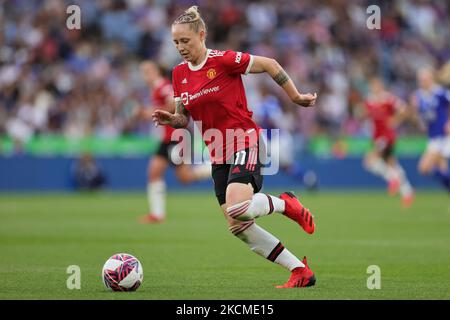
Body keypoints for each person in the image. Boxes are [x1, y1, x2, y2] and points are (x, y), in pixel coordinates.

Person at [151, 6, 318, 288]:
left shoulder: (224, 60)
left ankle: (285, 203)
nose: (180, 47)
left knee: (239, 207)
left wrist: (296, 96)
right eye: (176, 42)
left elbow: (270, 64)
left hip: (245, 140)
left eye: (185, 41)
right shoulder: (178, 74)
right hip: (217, 151)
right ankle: (299, 270)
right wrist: (174, 119)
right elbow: (184, 117)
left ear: (201, 35)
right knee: (237, 226)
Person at [138, 61, 211, 223]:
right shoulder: (156, 88)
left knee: (184, 177)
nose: (145, 75)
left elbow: (175, 104)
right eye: (143, 72)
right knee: (155, 172)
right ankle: (156, 215)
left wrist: (150, 112)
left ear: (157, 71)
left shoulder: (163, 86)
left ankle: (216, 167)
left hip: (178, 136)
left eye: (148, 71)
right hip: (169, 138)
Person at [253, 84, 318, 191]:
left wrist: (260, 120)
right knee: (258, 162)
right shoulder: (264, 103)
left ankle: (308, 179)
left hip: (276, 139)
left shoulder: (269, 103)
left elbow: (274, 120)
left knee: (286, 166)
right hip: (270, 139)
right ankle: (257, 188)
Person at [362, 77, 415, 207]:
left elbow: (405, 109)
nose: (374, 88)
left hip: (387, 136)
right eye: (372, 85)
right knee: (392, 163)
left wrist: (396, 120)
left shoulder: (388, 99)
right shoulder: (370, 101)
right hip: (377, 137)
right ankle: (407, 192)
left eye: (376, 85)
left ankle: (393, 179)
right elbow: (367, 115)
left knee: (369, 160)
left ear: (381, 86)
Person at [410, 67, 450, 194]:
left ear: (431, 79)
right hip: (432, 136)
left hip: (443, 136)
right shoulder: (418, 96)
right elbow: (418, 119)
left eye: (424, 79)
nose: (422, 82)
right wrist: (414, 110)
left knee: (424, 167)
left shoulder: (440, 92)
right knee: (442, 169)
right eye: (420, 80)